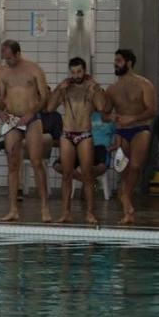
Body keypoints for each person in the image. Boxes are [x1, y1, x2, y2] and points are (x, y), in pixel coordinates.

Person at [46, 57, 106, 224]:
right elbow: (50, 108)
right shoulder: (65, 88)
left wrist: (96, 86)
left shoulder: (90, 88)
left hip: (84, 134)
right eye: (73, 72)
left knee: (87, 175)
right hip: (67, 135)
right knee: (66, 175)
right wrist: (58, 88)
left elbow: (102, 107)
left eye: (79, 71)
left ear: (84, 70)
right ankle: (66, 213)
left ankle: (90, 213)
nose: (76, 75)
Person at [0, 39, 50, 222]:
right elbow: (0, 97)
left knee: (36, 162)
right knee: (12, 165)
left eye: (10, 58)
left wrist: (31, 112)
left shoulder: (34, 70)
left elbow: (45, 97)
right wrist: (0, 112)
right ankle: (13, 209)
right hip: (12, 121)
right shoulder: (3, 72)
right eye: (5, 58)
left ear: (18, 54)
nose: (7, 62)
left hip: (32, 120)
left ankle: (44, 207)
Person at [104, 49, 157, 224]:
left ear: (129, 63)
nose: (115, 64)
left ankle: (125, 196)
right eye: (115, 61)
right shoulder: (112, 89)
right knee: (123, 169)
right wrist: (111, 117)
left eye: (118, 61)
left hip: (140, 128)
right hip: (121, 131)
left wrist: (132, 118)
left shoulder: (144, 84)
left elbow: (152, 110)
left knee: (135, 166)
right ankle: (127, 209)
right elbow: (105, 113)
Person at [53, 111, 114, 200]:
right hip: (81, 146)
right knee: (58, 165)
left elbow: (118, 137)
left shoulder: (110, 117)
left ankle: (88, 183)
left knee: (101, 167)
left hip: (101, 147)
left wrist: (112, 147)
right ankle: (89, 182)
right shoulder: (84, 115)